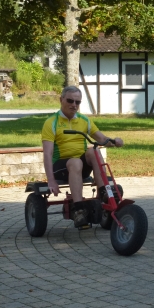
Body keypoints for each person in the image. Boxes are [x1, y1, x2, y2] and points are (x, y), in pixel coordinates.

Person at [41, 86, 123, 228]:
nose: (74, 105)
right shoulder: (51, 122)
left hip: (79, 165)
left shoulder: (84, 121)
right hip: (60, 167)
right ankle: (78, 210)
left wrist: (115, 142)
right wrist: (51, 181)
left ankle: (104, 193)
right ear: (61, 100)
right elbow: (47, 154)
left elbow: (102, 139)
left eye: (77, 102)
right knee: (75, 162)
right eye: (70, 100)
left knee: (94, 151)